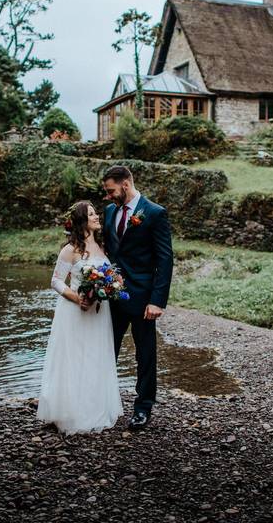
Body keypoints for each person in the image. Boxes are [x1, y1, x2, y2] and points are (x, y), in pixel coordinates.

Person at [37, 201, 123, 434]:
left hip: (99, 312)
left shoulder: (102, 247)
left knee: (96, 354)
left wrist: (113, 285)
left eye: (96, 213)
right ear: (82, 221)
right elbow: (55, 281)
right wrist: (78, 298)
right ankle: (71, 411)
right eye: (92, 214)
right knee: (74, 357)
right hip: (75, 311)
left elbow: (110, 275)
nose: (97, 217)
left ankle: (95, 407)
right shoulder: (70, 249)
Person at [101, 165, 173, 430]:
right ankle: (103, 401)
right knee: (106, 350)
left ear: (126, 184)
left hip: (143, 298)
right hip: (112, 296)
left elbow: (165, 260)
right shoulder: (109, 212)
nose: (108, 197)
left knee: (145, 355)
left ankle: (143, 408)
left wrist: (157, 301)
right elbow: (107, 252)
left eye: (111, 191)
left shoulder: (154, 213)